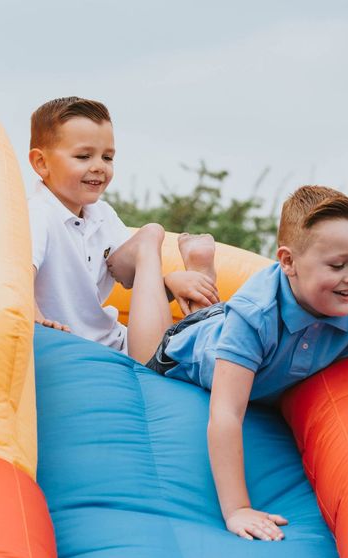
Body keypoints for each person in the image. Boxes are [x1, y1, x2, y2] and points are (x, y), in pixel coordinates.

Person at [144, 185, 348, 541]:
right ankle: (149, 258)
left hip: (247, 336)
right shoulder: (254, 319)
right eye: (337, 265)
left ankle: (201, 271)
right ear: (287, 262)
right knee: (143, 354)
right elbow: (225, 415)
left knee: (222, 318)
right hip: (190, 350)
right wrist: (237, 508)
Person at [28, 96, 219, 364]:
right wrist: (33, 316)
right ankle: (192, 292)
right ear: (41, 163)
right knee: (177, 356)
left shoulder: (102, 215)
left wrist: (170, 283)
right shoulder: (37, 214)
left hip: (118, 342)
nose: (99, 166)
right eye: (83, 156)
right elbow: (16, 276)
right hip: (76, 347)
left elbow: (134, 280)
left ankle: (192, 281)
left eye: (108, 157)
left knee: (166, 357)